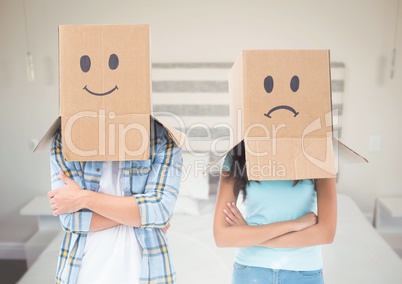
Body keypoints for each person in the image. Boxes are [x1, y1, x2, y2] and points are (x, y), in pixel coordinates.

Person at [47, 118, 183, 284]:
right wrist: (141, 215)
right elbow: (71, 220)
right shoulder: (65, 138)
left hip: (146, 271)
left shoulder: (161, 137)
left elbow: (160, 210)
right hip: (84, 269)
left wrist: (83, 198)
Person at [213, 141, 337, 284]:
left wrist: (250, 234)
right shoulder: (237, 154)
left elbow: (326, 234)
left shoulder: (319, 153)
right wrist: (293, 225)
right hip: (251, 270)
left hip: (304, 273)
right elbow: (222, 237)